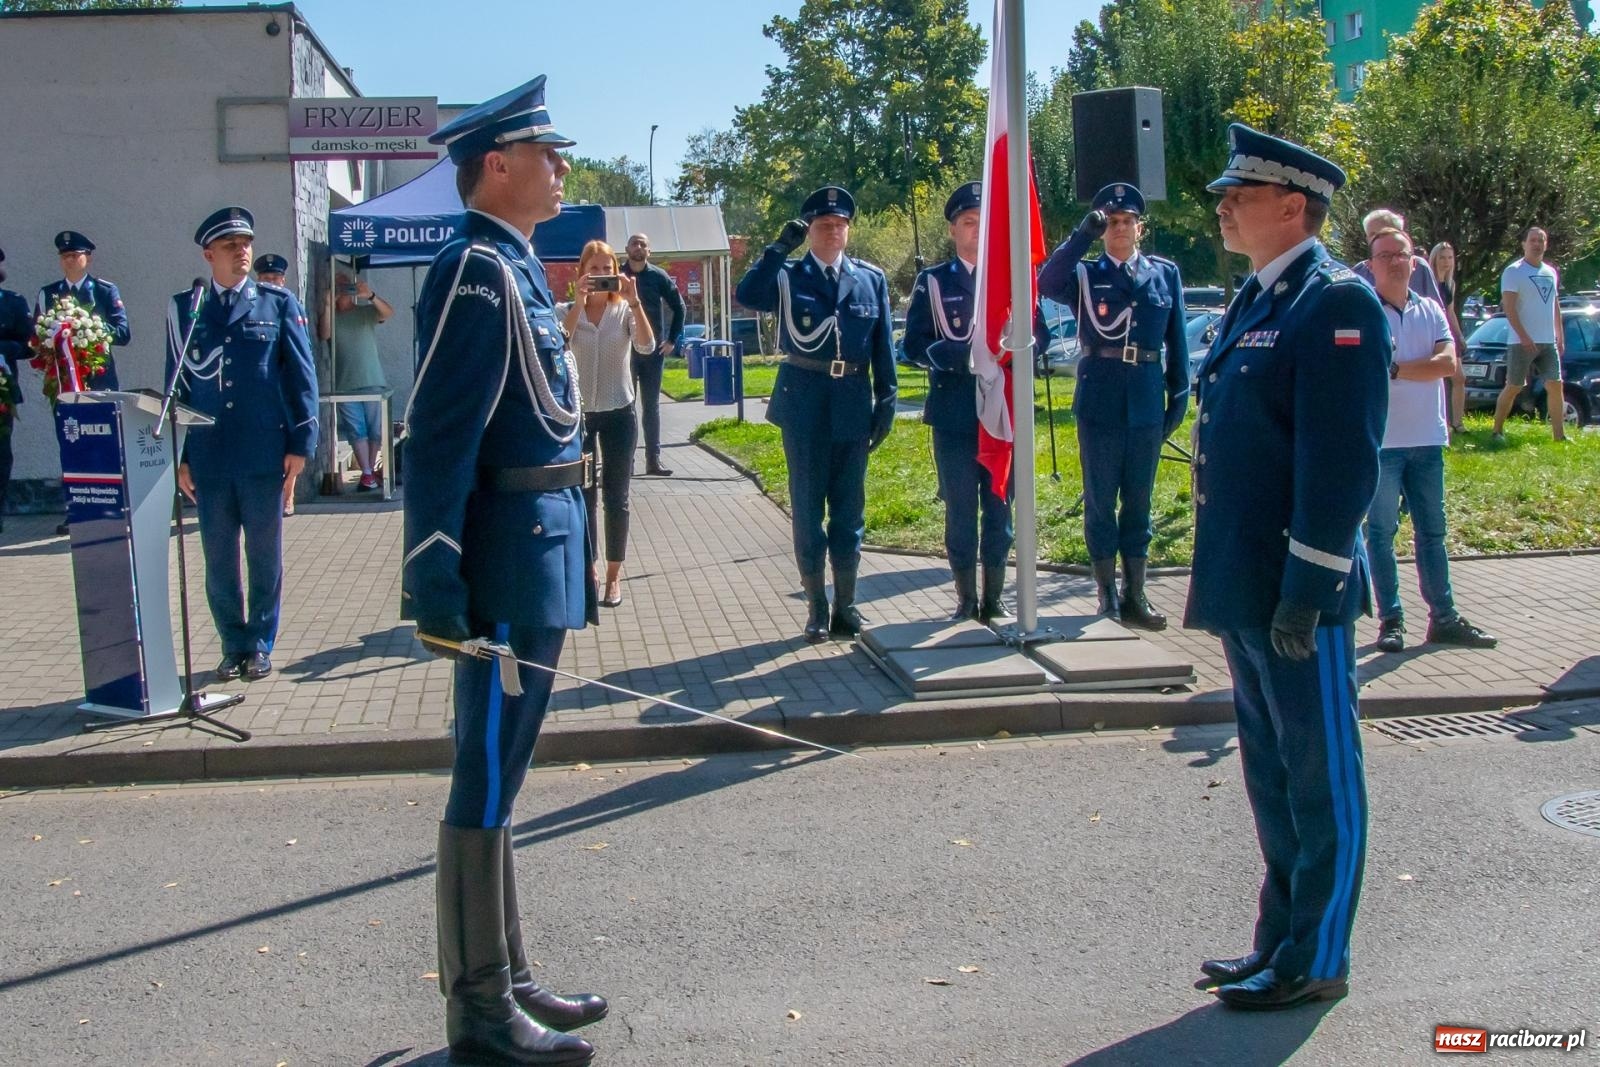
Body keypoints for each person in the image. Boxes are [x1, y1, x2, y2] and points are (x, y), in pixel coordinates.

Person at [402, 75, 603, 1067]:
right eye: (546, 151)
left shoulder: (516, 266)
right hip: (498, 558)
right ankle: (480, 1015)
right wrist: (432, 571)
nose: (561, 165)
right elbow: (438, 434)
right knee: (482, 770)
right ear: (496, 164)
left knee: (507, 769)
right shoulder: (474, 269)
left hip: (542, 540)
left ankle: (508, 971)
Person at [1186, 124, 1390, 1011]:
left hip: (1294, 590)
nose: (1224, 205)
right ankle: (1278, 940)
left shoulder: (1335, 302)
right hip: (1243, 581)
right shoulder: (1258, 299)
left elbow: (1341, 465)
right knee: (1272, 777)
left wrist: (1309, 590)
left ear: (1293, 206)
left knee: (1320, 775)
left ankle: (1318, 956)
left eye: (1241, 193)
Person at [735, 185, 898, 642]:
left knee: (849, 512)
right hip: (804, 403)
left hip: (852, 404)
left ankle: (847, 605)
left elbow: (883, 345)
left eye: (840, 224)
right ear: (810, 231)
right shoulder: (788, 275)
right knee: (808, 512)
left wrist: (887, 399)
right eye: (823, 225)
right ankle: (816, 607)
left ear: (848, 229)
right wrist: (778, 248)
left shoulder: (870, 279)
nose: (833, 231)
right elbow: (748, 294)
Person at [166, 207, 318, 684]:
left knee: (264, 555)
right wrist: (180, 457)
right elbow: (177, 387)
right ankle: (232, 644)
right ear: (208, 255)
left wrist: (301, 442)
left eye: (246, 244)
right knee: (218, 558)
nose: (242, 253)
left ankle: (260, 643)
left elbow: (300, 377)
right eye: (231, 247)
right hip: (210, 456)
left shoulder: (276, 303)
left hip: (262, 453)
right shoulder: (185, 310)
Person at [1037, 182, 1189, 630]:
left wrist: (1177, 399)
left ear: (1140, 227)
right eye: (1112, 222)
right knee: (1101, 501)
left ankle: (1135, 593)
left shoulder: (1164, 275)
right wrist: (1082, 234)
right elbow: (1047, 281)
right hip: (1100, 398)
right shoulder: (1085, 274)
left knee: (1139, 500)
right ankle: (1105, 592)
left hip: (1145, 398)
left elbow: (1176, 344)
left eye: (1128, 221)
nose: (1121, 228)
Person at [1364, 228, 1498, 655]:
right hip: (1383, 442)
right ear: (1370, 265)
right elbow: (1368, 368)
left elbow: (1447, 363)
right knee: (1380, 534)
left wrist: (1398, 369)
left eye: (1401, 254)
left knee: (1432, 533)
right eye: (1384, 256)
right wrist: (1415, 366)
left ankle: (1443, 618)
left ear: (1414, 261)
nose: (1394, 262)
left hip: (1427, 439)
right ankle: (1391, 621)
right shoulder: (1365, 311)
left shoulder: (1430, 309)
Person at [903, 182, 1015, 621]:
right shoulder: (933, 283)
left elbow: (1038, 336)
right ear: (953, 230)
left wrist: (1013, 350)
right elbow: (913, 343)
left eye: (983, 223)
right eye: (969, 222)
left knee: (1000, 507)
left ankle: (995, 597)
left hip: (1002, 414)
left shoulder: (1012, 279)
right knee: (962, 508)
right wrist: (962, 358)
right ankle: (966, 599)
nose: (977, 231)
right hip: (954, 412)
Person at [561, 239, 655, 608]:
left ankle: (613, 579)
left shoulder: (624, 311)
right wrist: (579, 304)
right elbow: (560, 344)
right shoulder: (569, 310)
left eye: (606, 269)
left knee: (617, 498)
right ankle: (589, 570)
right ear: (581, 273)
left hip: (619, 412)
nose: (600, 276)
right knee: (583, 497)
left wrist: (635, 300)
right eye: (593, 269)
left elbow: (647, 347)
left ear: (617, 273)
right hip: (579, 416)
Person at [619, 232, 685, 476]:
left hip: (652, 353)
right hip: (624, 351)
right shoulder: (618, 276)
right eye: (634, 243)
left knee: (651, 406)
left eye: (643, 244)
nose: (638, 247)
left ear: (649, 251)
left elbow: (679, 307)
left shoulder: (658, 277)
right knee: (625, 407)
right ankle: (626, 461)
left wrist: (671, 340)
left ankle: (653, 460)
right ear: (626, 248)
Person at [1492, 226, 1565, 442]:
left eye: (1541, 240)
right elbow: (1509, 307)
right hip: (1520, 342)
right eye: (1533, 240)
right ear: (1524, 244)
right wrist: (1523, 336)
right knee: (1514, 385)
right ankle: (1497, 431)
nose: (1537, 244)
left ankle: (1559, 436)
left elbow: (1554, 304)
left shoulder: (1550, 272)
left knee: (1555, 384)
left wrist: (1559, 334)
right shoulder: (1514, 271)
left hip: (1546, 341)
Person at [322, 269, 393, 491]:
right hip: (344, 383)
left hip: (372, 379)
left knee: (375, 430)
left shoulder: (364, 312)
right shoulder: (332, 316)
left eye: (347, 286)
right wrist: (327, 304)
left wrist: (370, 295)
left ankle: (369, 472)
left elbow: (388, 313)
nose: (344, 291)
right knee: (356, 430)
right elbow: (324, 334)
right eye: (339, 286)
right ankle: (367, 473)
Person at [36, 229, 130, 390]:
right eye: (65, 256)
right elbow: (37, 336)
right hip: (62, 377)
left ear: (88, 257)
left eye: (74, 255)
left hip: (99, 376)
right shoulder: (49, 293)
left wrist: (91, 329)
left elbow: (123, 334)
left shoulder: (104, 291)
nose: (69, 260)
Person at [253, 254, 298, 512]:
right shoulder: (255, 305)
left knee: (291, 443)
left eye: (275, 278)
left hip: (287, 385)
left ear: (283, 279)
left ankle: (288, 495)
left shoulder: (289, 303)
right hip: (268, 388)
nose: (270, 283)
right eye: (265, 279)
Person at [0, 249, 32, 533]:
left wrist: (2, 349)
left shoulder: (12, 303)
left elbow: (30, 345)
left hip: (1, 390)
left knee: (0, 454)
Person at [1351, 208, 1442, 305]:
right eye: (1372, 234)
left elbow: (1436, 310)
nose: (1377, 238)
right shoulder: (1359, 272)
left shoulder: (1419, 267)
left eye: (1384, 233)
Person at [1428, 241, 1468, 434]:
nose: (1446, 262)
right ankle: (1440, 421)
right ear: (1435, 259)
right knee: (1438, 378)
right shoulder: (1429, 282)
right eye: (1442, 257)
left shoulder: (1450, 283)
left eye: (1450, 257)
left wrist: (1459, 335)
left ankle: (1458, 422)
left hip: (1448, 333)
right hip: (1432, 333)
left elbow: (1450, 312)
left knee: (1459, 377)